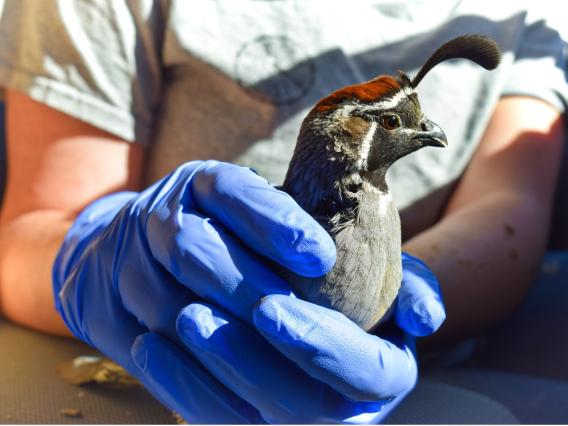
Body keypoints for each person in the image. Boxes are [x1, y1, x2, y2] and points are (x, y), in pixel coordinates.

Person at [0, 0, 566, 423]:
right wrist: (93, 254)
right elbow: (36, 224)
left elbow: (507, 207)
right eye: (393, 123)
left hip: (440, 376)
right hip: (135, 371)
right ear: (346, 137)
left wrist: (403, 305)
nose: (423, 130)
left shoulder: (531, 16)